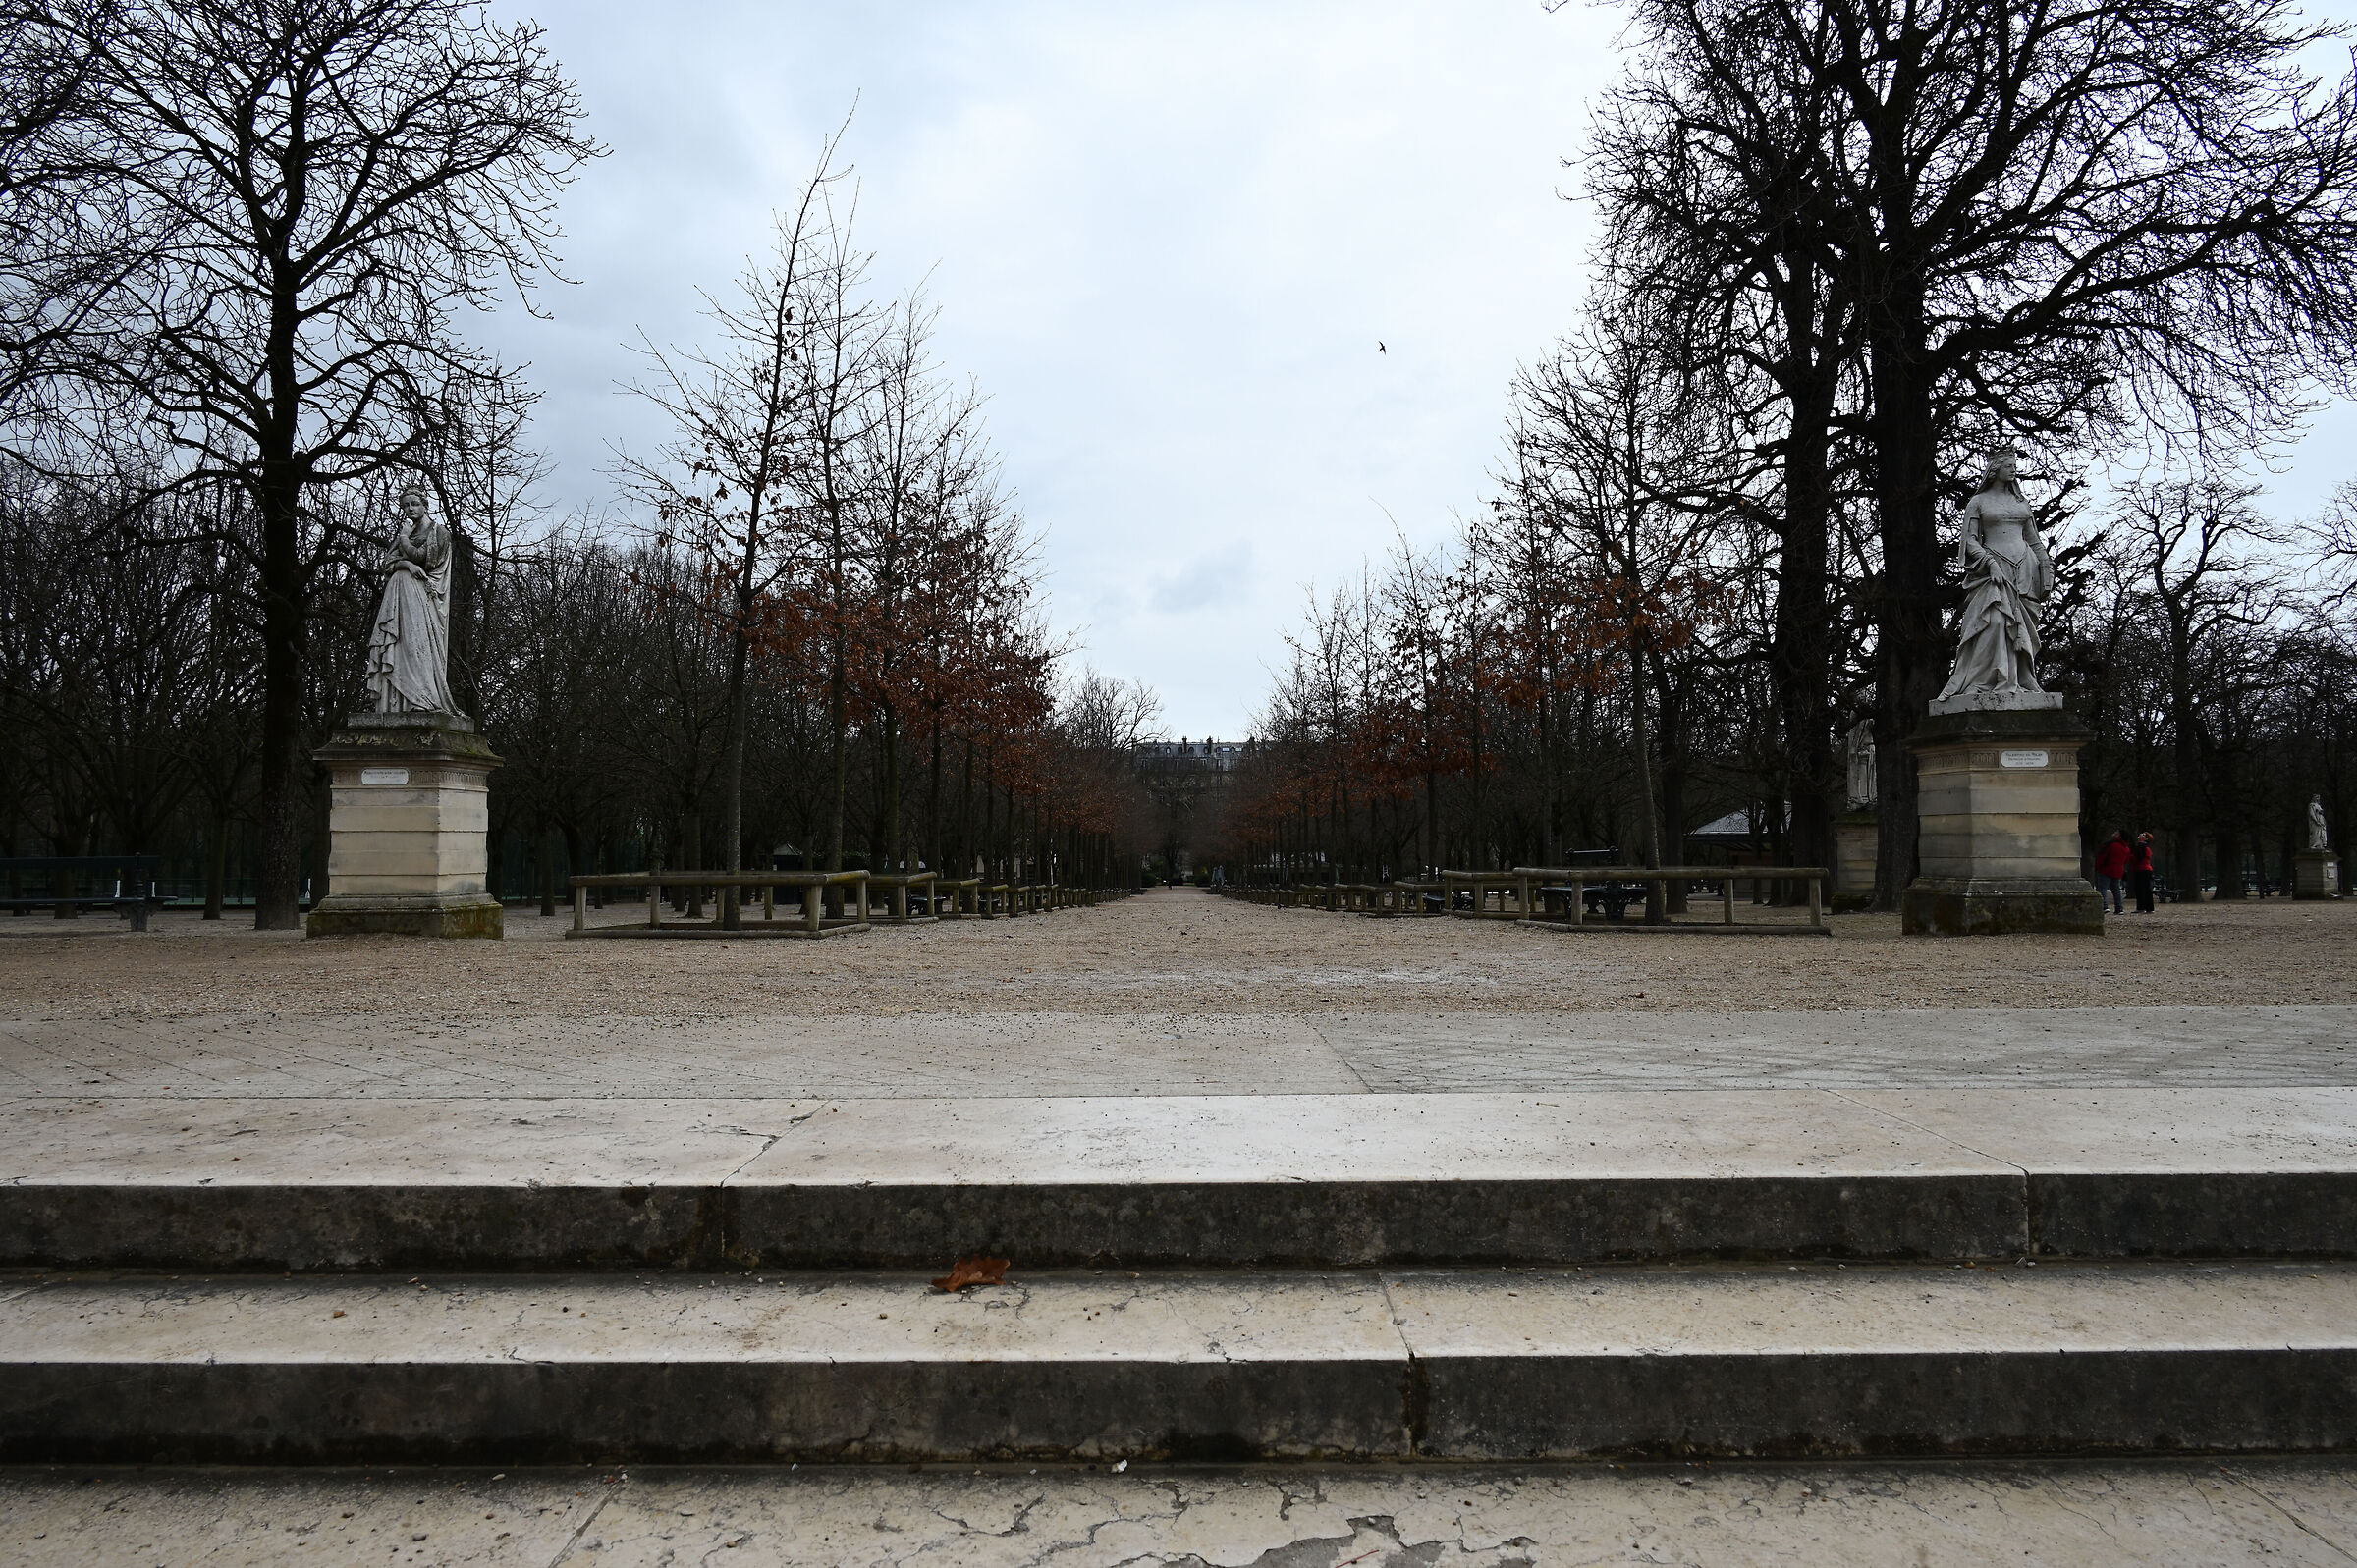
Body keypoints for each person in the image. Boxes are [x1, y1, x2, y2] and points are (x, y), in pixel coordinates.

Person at [2094, 829, 2130, 915]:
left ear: (2119, 835)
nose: (2114, 833)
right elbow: (2125, 860)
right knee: (2116, 889)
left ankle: (2104, 906)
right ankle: (2119, 908)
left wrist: (2098, 866)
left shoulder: (2110, 845)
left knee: (2102, 888)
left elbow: (2102, 857)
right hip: (2118, 870)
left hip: (2106, 869)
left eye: (2116, 832)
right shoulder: (2126, 848)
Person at [2128, 831, 2157, 914]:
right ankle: (2149, 908)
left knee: (2140, 889)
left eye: (2143, 835)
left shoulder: (2140, 846)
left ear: (2146, 839)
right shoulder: (2146, 847)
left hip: (2141, 869)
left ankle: (2141, 907)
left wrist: (2131, 857)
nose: (2140, 835)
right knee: (2147, 889)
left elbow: (2138, 858)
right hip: (2147, 869)